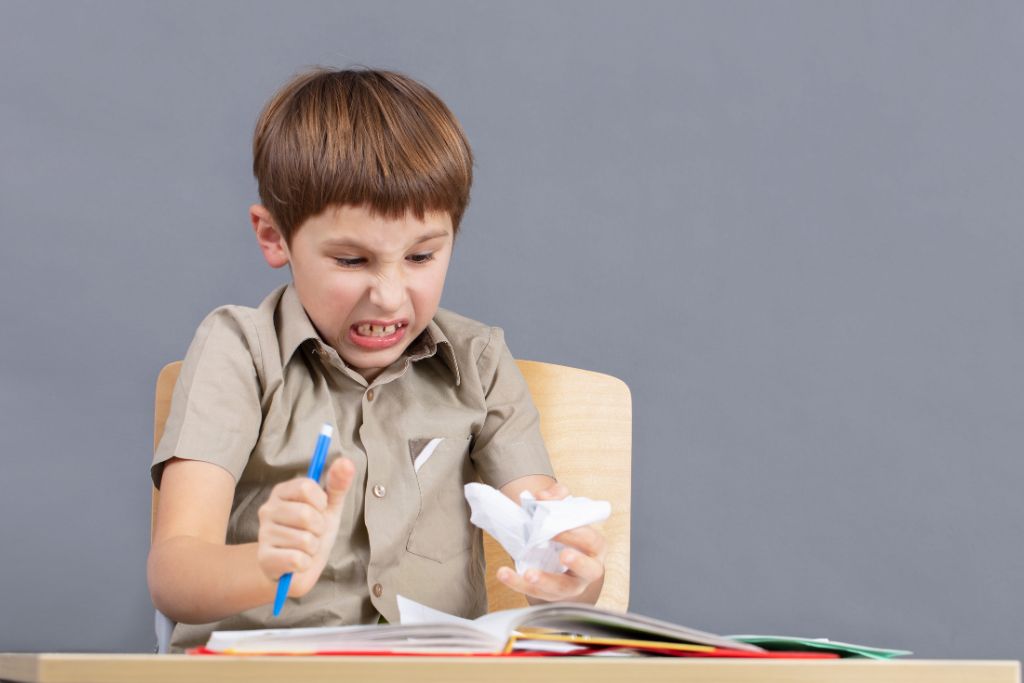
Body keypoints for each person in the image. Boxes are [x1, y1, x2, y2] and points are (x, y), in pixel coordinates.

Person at [147, 67, 606, 652]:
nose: (389, 296)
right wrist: (262, 566)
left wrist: (568, 581)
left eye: (421, 256)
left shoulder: (480, 360)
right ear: (274, 237)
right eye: (350, 261)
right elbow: (174, 574)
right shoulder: (240, 350)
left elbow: (543, 531)